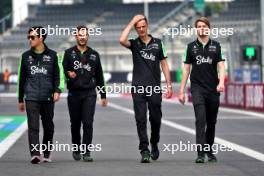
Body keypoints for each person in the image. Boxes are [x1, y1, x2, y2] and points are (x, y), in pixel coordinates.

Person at [120, 15, 173, 163]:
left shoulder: (158, 43)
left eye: (143, 26)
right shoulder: (134, 44)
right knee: (140, 119)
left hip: (155, 87)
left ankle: (154, 141)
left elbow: (164, 64)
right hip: (138, 88)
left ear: (147, 26)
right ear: (136, 29)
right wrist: (132, 21)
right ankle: (144, 150)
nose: (141, 29)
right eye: (138, 27)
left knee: (156, 118)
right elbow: (121, 40)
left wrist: (168, 85)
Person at [178, 17, 225, 163]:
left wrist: (221, 82)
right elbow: (186, 69)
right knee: (200, 119)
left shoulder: (216, 46)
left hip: (213, 89)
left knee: (211, 122)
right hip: (197, 88)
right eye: (199, 26)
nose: (201, 28)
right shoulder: (191, 47)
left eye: (204, 26)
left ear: (208, 28)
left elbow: (221, 66)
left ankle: (209, 150)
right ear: (196, 29)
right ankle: (200, 153)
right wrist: (181, 91)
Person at [17, 26, 63, 164]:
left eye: (32, 37)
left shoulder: (53, 55)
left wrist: (57, 91)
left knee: (48, 127)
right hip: (31, 97)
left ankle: (47, 153)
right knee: (33, 126)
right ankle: (35, 154)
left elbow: (57, 76)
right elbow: (21, 78)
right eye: (28, 37)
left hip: (48, 97)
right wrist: (20, 99)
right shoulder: (25, 56)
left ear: (41, 38)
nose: (29, 39)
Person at [63, 25, 108, 162]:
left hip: (89, 93)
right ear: (76, 36)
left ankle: (87, 151)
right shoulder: (68, 53)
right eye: (80, 35)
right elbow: (62, 71)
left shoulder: (94, 55)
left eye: (84, 35)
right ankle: (76, 148)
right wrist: (67, 74)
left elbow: (100, 76)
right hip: (74, 93)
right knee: (75, 124)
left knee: (88, 122)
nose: (82, 37)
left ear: (88, 36)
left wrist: (103, 95)